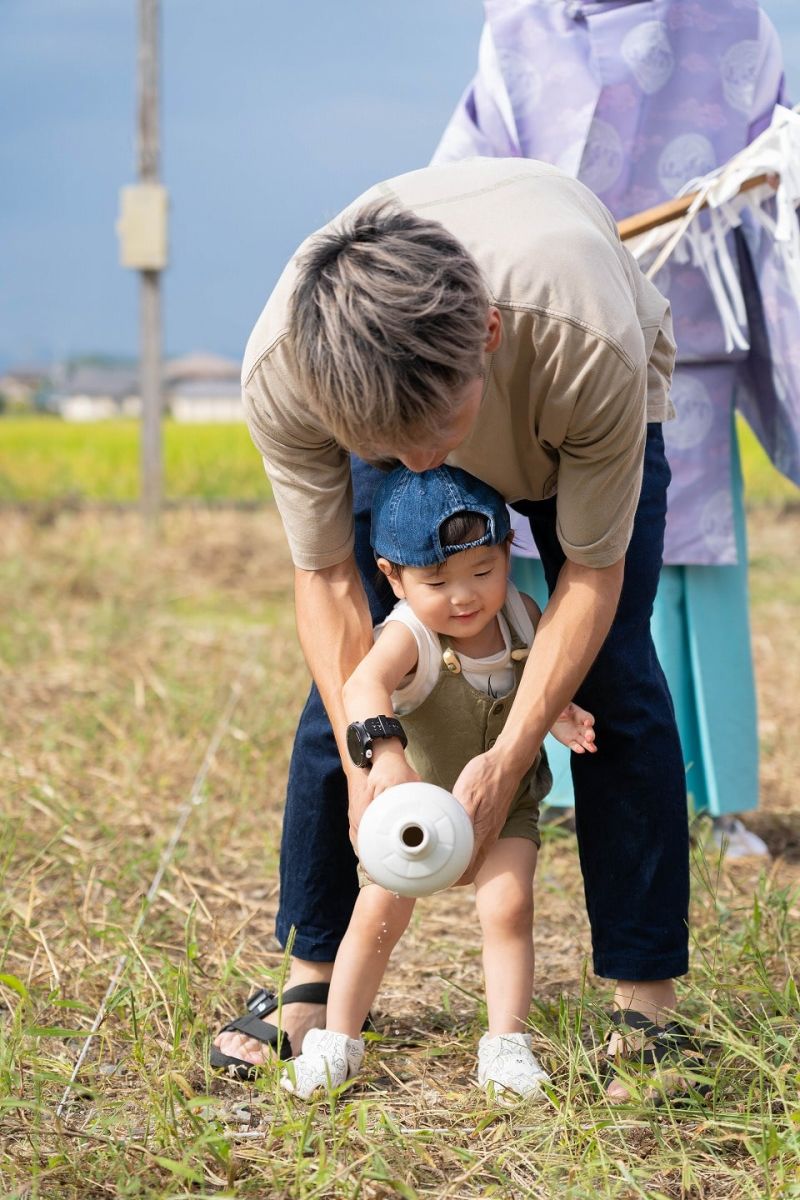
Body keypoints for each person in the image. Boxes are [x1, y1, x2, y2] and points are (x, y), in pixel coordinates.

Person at [211, 157, 689, 1102]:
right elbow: (328, 583)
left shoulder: (581, 340)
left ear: (490, 338)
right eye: (387, 449)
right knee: (340, 688)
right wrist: (370, 759)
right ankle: (313, 978)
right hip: (403, 382)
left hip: (566, 406)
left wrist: (508, 758)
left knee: (614, 674)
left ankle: (646, 1001)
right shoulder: (288, 372)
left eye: (435, 431)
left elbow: (591, 576)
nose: (422, 464)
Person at [431, 0, 800, 856]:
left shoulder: (732, 20)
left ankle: (715, 801)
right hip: (539, 326)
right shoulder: (522, 23)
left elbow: (778, 164)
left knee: (682, 566)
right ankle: (545, 780)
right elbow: (466, 179)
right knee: (538, 553)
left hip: (683, 331)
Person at [280, 465, 596, 1101]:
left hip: (504, 807)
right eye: (437, 581)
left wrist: (560, 716)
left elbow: (540, 680)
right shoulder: (408, 633)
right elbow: (361, 684)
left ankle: (507, 1046)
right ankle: (337, 1042)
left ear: (510, 551)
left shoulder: (522, 616)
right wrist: (385, 754)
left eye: (483, 571)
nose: (463, 596)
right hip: (412, 818)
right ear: (392, 575)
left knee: (508, 908)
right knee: (375, 917)